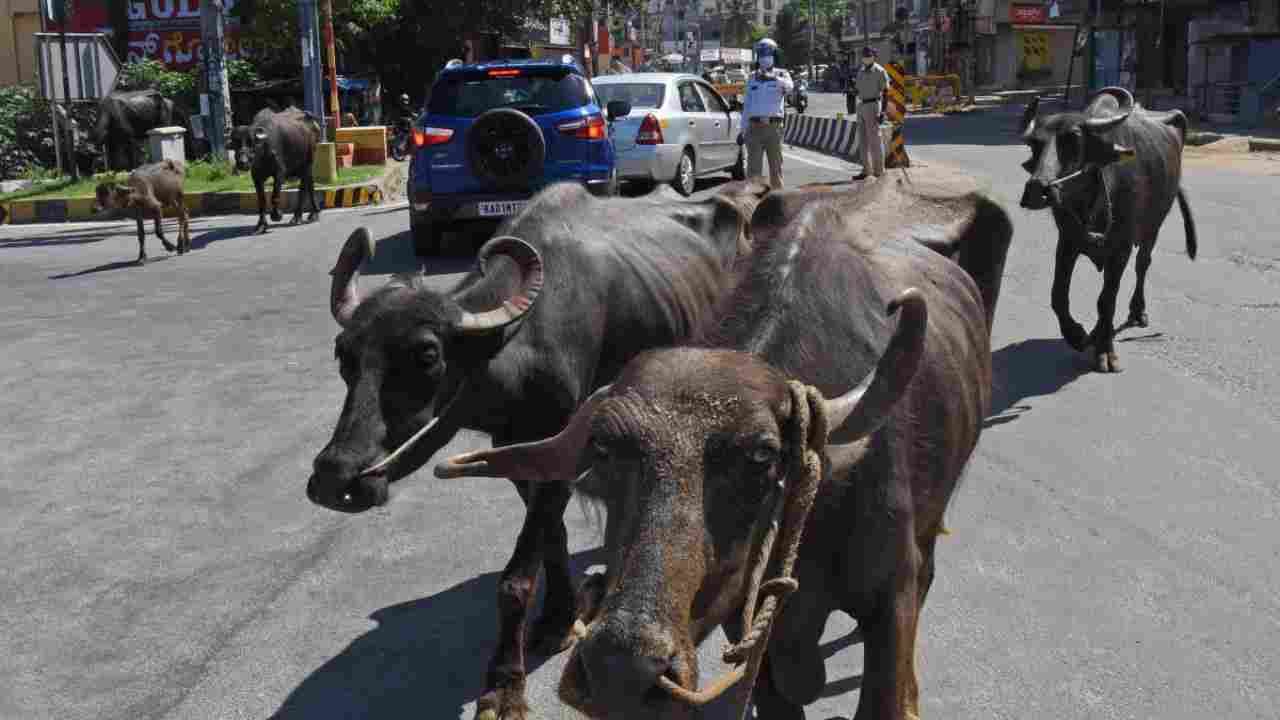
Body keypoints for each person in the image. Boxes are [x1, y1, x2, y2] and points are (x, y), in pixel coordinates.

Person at [740, 37, 793, 190]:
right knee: (753, 173)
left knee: (776, 170)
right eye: (761, 54)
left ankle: (778, 207)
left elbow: (789, 87)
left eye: (768, 53)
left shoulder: (782, 74)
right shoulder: (752, 77)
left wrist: (775, 78)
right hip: (754, 128)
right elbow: (747, 106)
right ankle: (752, 207)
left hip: (773, 128)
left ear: (774, 55)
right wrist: (742, 129)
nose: (764, 57)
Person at [852, 46, 890, 180]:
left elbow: (886, 92)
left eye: (868, 55)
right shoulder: (861, 71)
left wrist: (883, 112)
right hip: (861, 105)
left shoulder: (880, 71)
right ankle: (866, 170)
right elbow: (857, 89)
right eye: (864, 55)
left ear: (874, 56)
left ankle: (879, 171)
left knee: (875, 140)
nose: (866, 58)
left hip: (874, 105)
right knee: (863, 140)